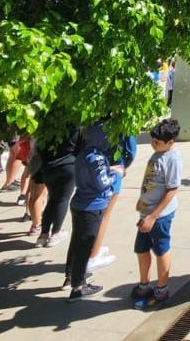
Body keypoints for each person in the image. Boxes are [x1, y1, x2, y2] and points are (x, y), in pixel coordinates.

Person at [65, 125, 121, 301]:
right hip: (91, 206)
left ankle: (72, 276)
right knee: (85, 246)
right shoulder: (96, 157)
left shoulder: (83, 154)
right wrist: (117, 175)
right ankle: (78, 287)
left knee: (77, 243)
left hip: (79, 204)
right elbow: (102, 182)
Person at [132, 118, 183, 309]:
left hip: (159, 216)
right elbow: (150, 180)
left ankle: (162, 289)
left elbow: (172, 190)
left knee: (161, 249)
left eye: (157, 142)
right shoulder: (158, 154)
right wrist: (142, 200)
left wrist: (153, 216)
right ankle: (144, 284)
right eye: (152, 140)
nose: (152, 144)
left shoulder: (173, 159)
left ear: (170, 142)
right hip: (146, 212)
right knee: (141, 249)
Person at [88, 125, 137, 273]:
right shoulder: (122, 122)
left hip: (90, 167)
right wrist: (122, 166)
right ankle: (92, 256)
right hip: (113, 167)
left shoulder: (91, 123)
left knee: (91, 213)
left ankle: (93, 248)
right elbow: (130, 150)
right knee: (104, 216)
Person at [36, 127, 83, 247]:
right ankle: (55, 233)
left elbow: (39, 147)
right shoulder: (76, 127)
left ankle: (43, 234)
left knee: (52, 199)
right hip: (68, 165)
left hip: (48, 167)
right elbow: (81, 147)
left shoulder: (47, 126)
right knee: (62, 199)